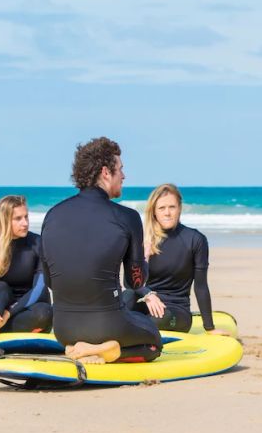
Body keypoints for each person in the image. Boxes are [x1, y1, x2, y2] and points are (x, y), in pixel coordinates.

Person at [40, 137, 162, 364]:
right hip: (108, 326)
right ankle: (109, 350)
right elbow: (134, 283)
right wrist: (143, 259)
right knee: (154, 341)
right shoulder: (127, 217)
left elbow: (50, 280)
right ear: (106, 172)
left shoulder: (52, 215)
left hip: (64, 330)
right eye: (121, 169)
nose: (124, 176)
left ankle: (83, 349)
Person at [121, 183, 220, 333]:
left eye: (172, 207)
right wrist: (143, 262)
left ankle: (127, 327)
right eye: (161, 208)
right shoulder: (143, 240)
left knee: (160, 317)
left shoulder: (196, 240)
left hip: (176, 311)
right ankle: (122, 327)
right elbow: (129, 284)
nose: (167, 213)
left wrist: (209, 327)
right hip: (148, 301)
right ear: (154, 212)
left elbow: (200, 286)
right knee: (126, 297)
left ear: (179, 208)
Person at [0, 195, 52, 336]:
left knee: (46, 312)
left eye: (26, 217)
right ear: (4, 221)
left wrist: (9, 312)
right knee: (0, 287)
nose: (25, 223)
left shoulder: (38, 244)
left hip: (30, 310)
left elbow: (39, 289)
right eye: (18, 219)